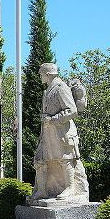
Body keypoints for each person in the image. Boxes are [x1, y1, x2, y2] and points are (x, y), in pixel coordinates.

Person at [28, 63, 89, 204]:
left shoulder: (61, 88)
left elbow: (72, 110)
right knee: (40, 161)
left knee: (65, 159)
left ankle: (70, 188)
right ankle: (42, 191)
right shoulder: (48, 89)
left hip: (61, 131)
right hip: (47, 133)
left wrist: (53, 119)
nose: (40, 77)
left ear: (48, 74)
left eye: (41, 74)